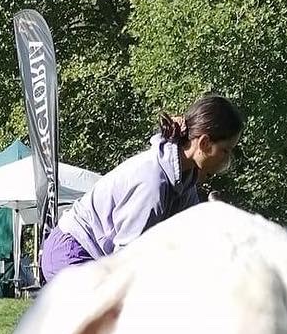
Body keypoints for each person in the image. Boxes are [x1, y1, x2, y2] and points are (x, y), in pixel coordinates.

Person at [39, 93, 244, 279]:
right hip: (72, 251)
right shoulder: (152, 183)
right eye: (226, 151)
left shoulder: (185, 181)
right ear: (205, 144)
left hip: (95, 257)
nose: (227, 160)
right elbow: (126, 262)